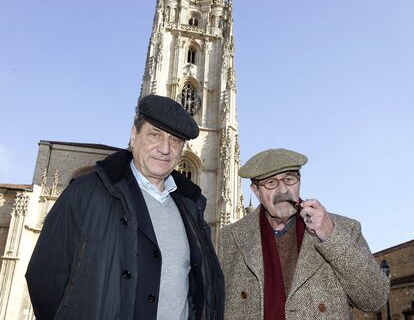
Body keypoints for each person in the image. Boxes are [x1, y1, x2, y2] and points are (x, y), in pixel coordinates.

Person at [26, 95, 224, 320]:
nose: (165, 148)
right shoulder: (86, 193)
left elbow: (201, 287)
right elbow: (44, 278)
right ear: (133, 135)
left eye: (175, 140)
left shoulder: (191, 208)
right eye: (155, 135)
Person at [218, 148, 390, 320]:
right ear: (256, 190)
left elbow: (374, 300)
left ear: (299, 181)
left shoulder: (345, 229)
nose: (283, 190)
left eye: (289, 179)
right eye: (271, 182)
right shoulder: (230, 238)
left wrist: (331, 236)